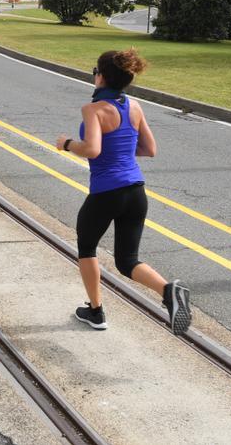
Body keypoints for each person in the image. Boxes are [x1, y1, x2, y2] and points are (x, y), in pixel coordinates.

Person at [55, 49, 191, 335]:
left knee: (87, 247)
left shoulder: (93, 110)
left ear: (101, 76)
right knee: (127, 260)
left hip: (106, 193)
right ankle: (168, 290)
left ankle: (95, 311)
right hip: (136, 192)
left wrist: (67, 143)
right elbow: (149, 149)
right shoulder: (135, 107)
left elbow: (92, 149)